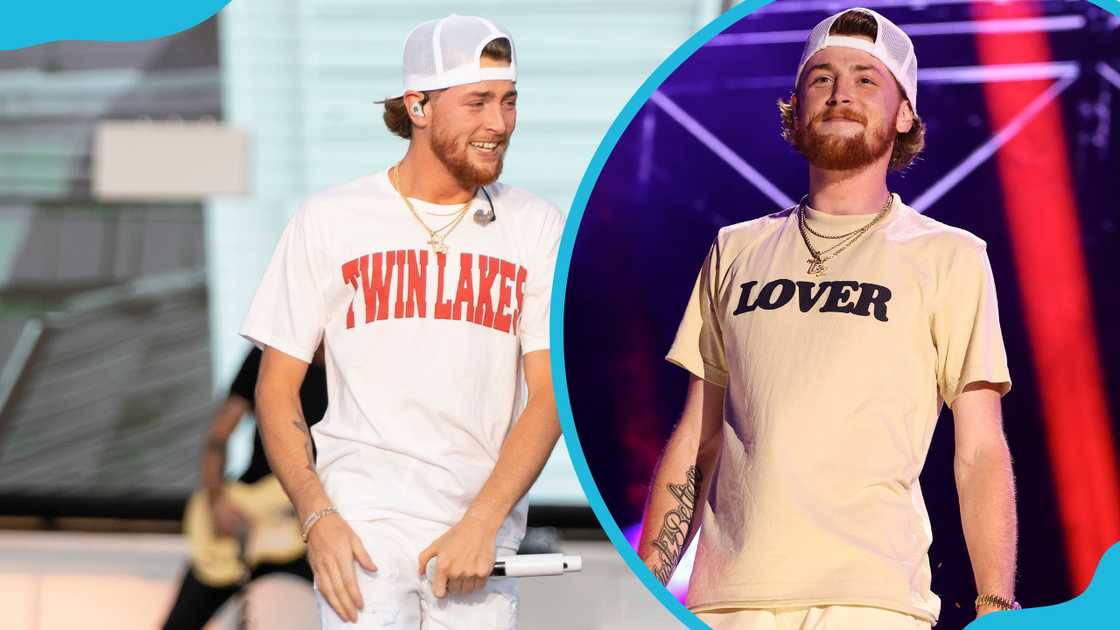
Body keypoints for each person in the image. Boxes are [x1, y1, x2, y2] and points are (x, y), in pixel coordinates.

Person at [638, 8, 1018, 629]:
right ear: (797, 105)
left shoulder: (948, 255)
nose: (841, 93)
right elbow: (697, 435)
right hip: (728, 601)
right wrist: (648, 585)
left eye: (867, 79)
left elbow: (978, 449)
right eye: (822, 78)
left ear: (903, 114)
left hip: (872, 600)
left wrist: (995, 605)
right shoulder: (736, 249)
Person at [239, 14, 563, 630]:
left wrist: (483, 522)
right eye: (478, 102)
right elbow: (276, 388)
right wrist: (316, 519)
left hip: (476, 537)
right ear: (418, 105)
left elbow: (548, 398)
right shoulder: (330, 219)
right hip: (363, 532)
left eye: (509, 101)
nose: (499, 123)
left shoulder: (536, 225)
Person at [162, 345, 327, 630]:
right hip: (247, 520)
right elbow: (218, 436)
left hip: (317, 520)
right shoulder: (270, 354)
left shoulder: (354, 360)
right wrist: (216, 501)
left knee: (363, 609)